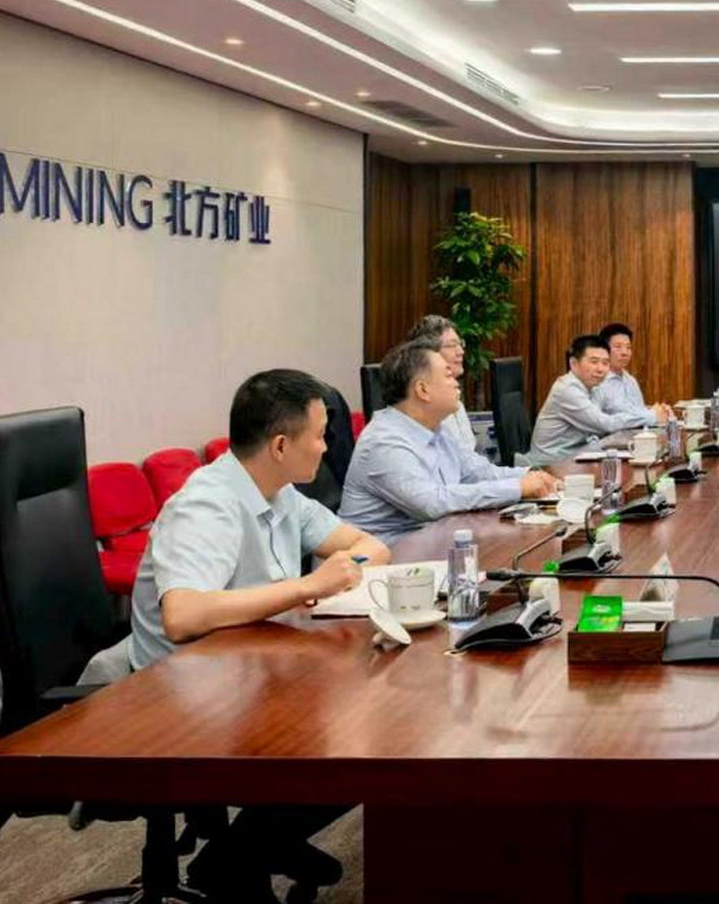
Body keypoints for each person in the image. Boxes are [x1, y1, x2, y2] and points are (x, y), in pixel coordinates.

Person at [129, 369, 390, 898]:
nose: (327, 447)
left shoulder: (280, 494)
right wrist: (306, 587)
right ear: (280, 445)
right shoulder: (207, 504)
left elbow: (370, 546)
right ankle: (236, 861)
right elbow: (183, 615)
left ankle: (243, 853)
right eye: (319, 435)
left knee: (370, 732)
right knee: (345, 753)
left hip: (248, 675)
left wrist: (340, 572)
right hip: (173, 698)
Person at [339, 339, 557, 540]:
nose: (456, 383)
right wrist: (516, 487)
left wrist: (533, 476)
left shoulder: (437, 428)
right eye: (448, 376)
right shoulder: (384, 441)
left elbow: (477, 472)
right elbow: (431, 503)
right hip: (386, 557)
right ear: (422, 390)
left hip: (434, 542)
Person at [529, 335, 671, 464]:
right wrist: (651, 416)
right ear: (573, 363)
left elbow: (616, 411)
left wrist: (653, 411)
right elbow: (605, 424)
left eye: (605, 363)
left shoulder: (594, 386)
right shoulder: (567, 389)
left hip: (577, 455)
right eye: (594, 362)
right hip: (549, 463)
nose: (600, 369)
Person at [407, 314, 476, 452]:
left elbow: (468, 456)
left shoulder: (455, 398)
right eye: (452, 345)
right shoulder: (424, 404)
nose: (461, 352)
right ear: (429, 354)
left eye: (460, 344)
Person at [593, 321, 671, 424]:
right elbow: (599, 422)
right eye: (618, 347)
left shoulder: (630, 380)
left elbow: (637, 412)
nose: (625, 352)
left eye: (628, 347)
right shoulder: (597, 382)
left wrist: (659, 411)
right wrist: (652, 415)